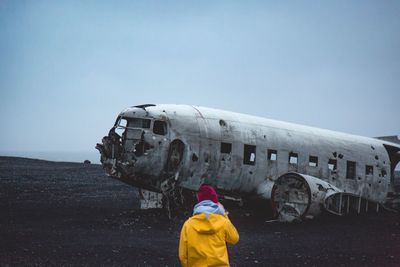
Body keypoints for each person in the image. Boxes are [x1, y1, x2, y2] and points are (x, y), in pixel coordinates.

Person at [179, 184, 239, 267]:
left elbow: (183, 256)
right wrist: (224, 214)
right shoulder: (223, 222)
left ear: (199, 202)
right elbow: (234, 239)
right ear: (215, 202)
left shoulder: (188, 224)